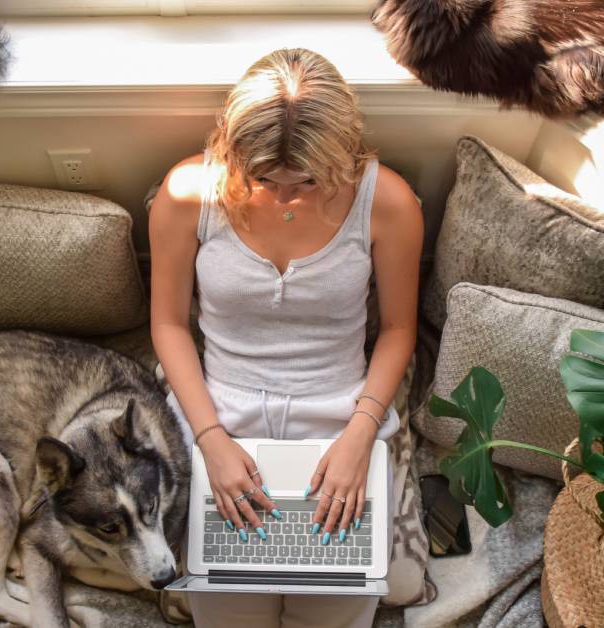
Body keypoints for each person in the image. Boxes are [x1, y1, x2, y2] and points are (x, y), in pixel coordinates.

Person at [149, 47, 423, 628]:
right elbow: (168, 324)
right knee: (226, 599)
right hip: (218, 408)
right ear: (232, 146)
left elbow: (399, 330)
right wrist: (210, 439)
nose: (284, 198)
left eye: (306, 180)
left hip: (340, 414)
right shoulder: (186, 194)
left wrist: (359, 435)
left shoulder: (388, 202)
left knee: (336, 597)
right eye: (264, 178)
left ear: (343, 153)